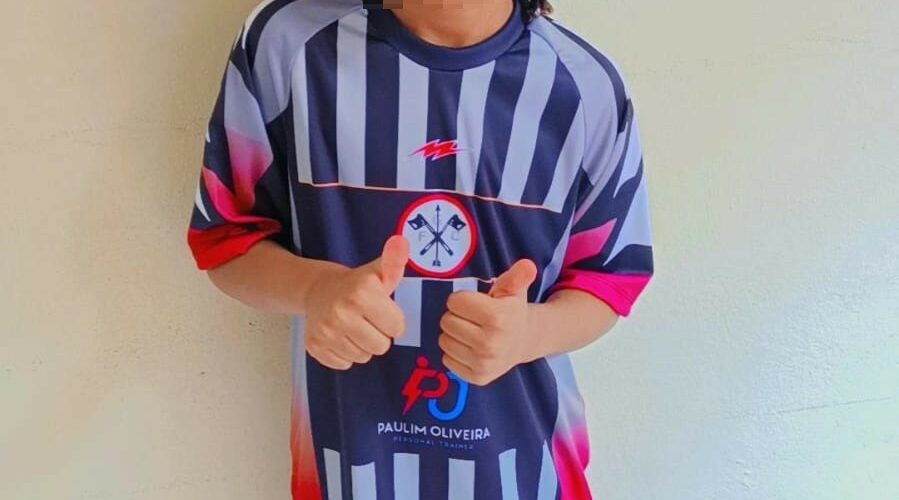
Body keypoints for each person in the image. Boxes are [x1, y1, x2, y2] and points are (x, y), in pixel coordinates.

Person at [186, 0, 654, 498]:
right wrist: (315, 289)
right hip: (347, 472)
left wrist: (530, 333)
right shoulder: (285, 47)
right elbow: (226, 240)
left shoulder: (586, 89)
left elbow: (609, 280)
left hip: (529, 478)